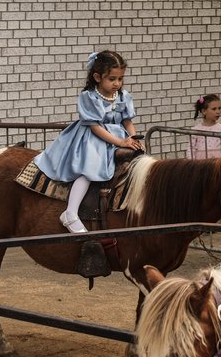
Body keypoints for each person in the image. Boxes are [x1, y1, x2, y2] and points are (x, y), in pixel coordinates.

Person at [35, 50, 144, 233]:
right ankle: (70, 212)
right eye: (112, 79)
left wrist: (132, 138)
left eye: (120, 78)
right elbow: (95, 127)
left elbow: (127, 121)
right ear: (97, 77)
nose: (117, 83)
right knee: (90, 169)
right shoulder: (89, 97)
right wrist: (120, 142)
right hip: (93, 138)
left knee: (139, 162)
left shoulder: (123, 96)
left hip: (119, 137)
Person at [189, 93, 221, 160]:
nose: (218, 112)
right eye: (214, 109)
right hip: (201, 166)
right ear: (204, 111)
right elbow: (191, 149)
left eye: (219, 108)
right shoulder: (195, 130)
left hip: (218, 166)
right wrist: (191, 165)